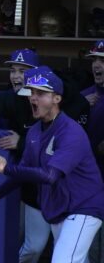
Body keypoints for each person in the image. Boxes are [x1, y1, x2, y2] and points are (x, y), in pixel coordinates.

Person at [0, 51, 91, 263]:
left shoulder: (75, 104)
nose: (18, 78)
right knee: (34, 247)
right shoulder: (19, 99)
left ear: (55, 97)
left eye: (23, 72)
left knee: (68, 254)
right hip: (36, 192)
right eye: (14, 71)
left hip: (70, 193)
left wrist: (22, 143)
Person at [82, 40, 104, 263]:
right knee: (91, 251)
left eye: (103, 60)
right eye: (94, 60)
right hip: (89, 185)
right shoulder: (83, 98)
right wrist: (79, 107)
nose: (97, 65)